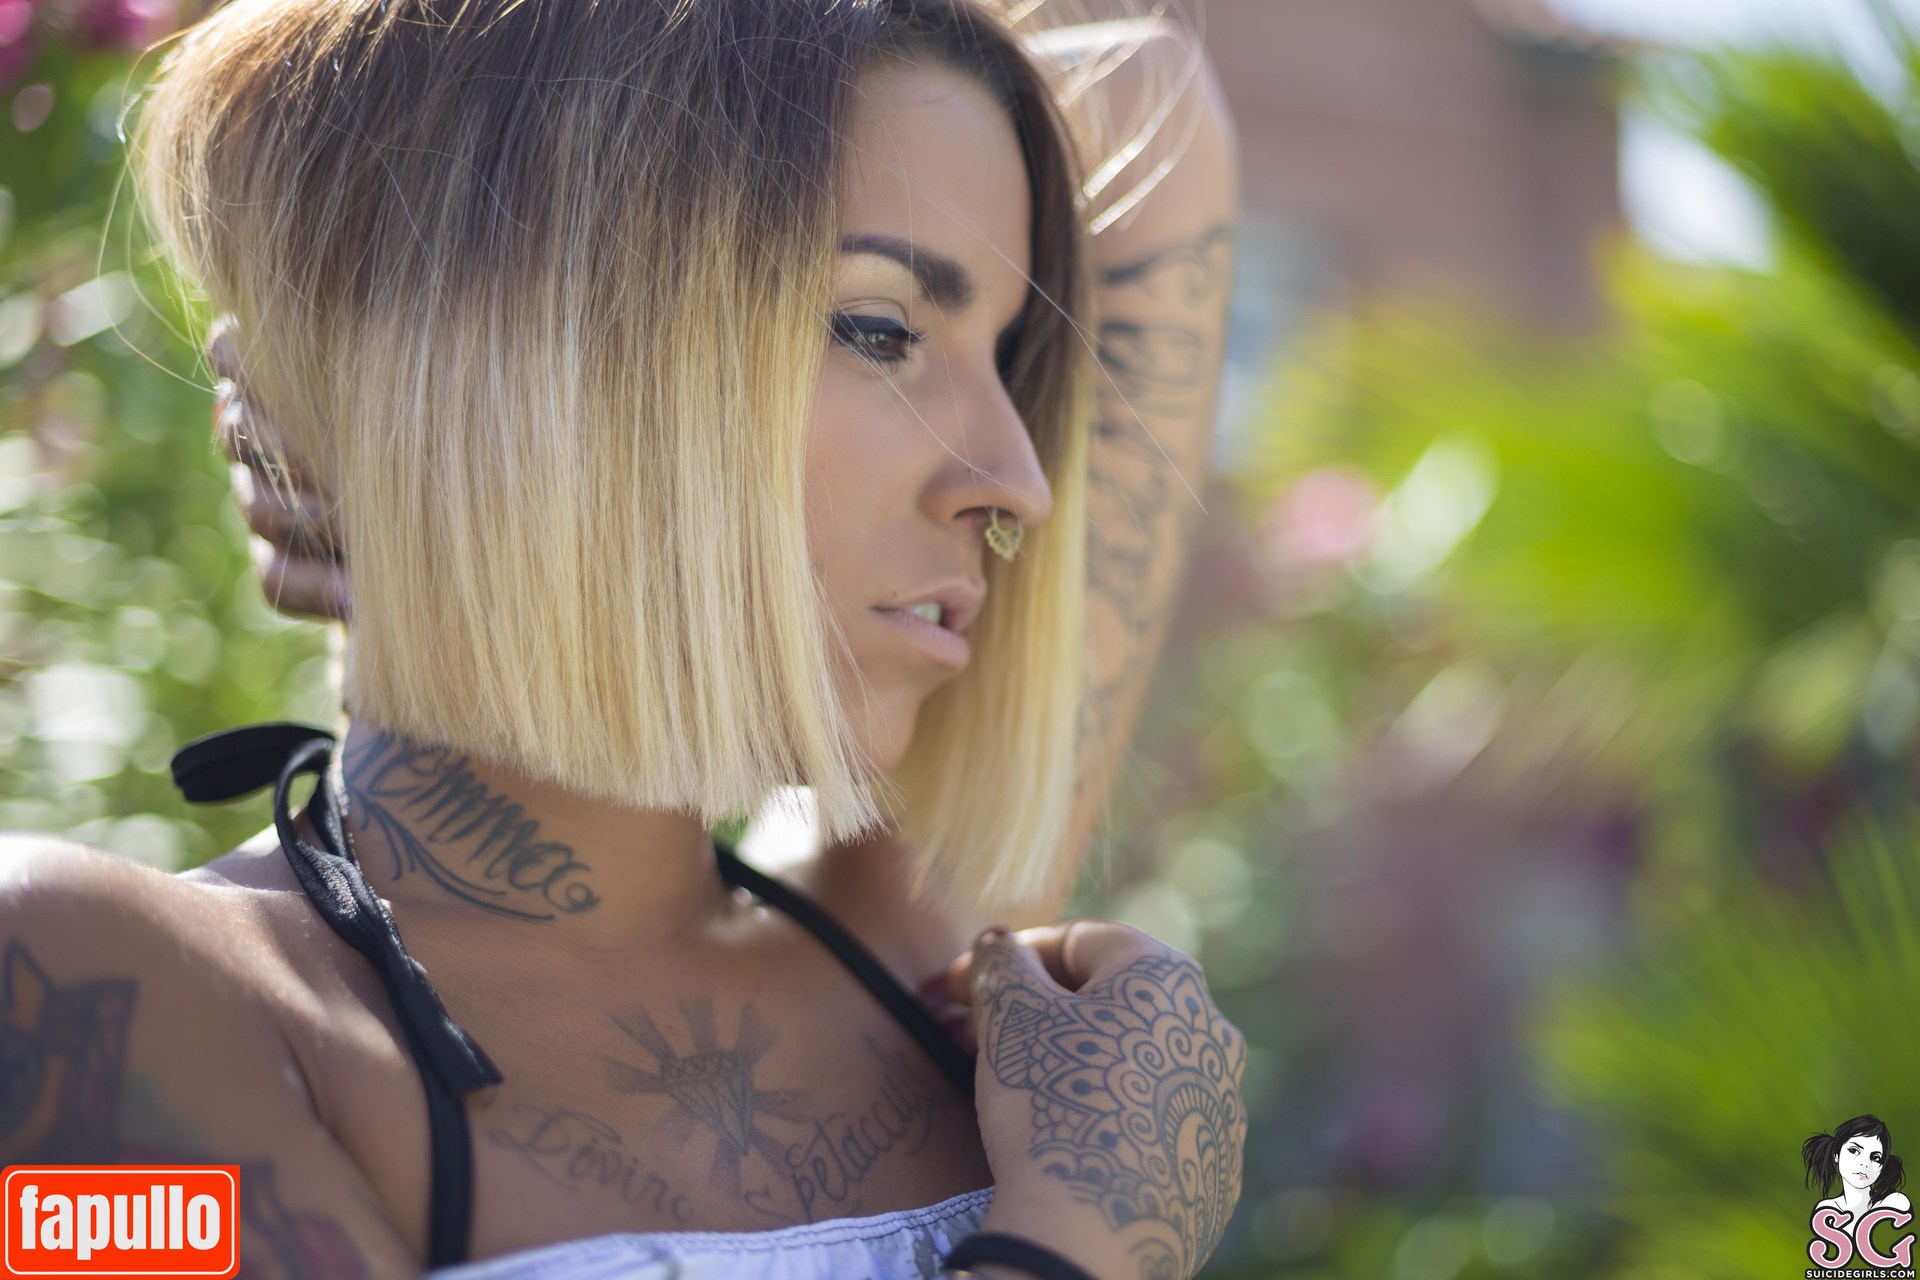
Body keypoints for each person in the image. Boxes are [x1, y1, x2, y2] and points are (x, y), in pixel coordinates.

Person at [0, 0, 1244, 1276]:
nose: (1017, 482)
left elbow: (1147, 101)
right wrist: (1094, 1224)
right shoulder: (84, 983)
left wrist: (379, 426)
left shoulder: (926, 946)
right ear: (543, 358)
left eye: (1010, 357)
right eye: (880, 330)